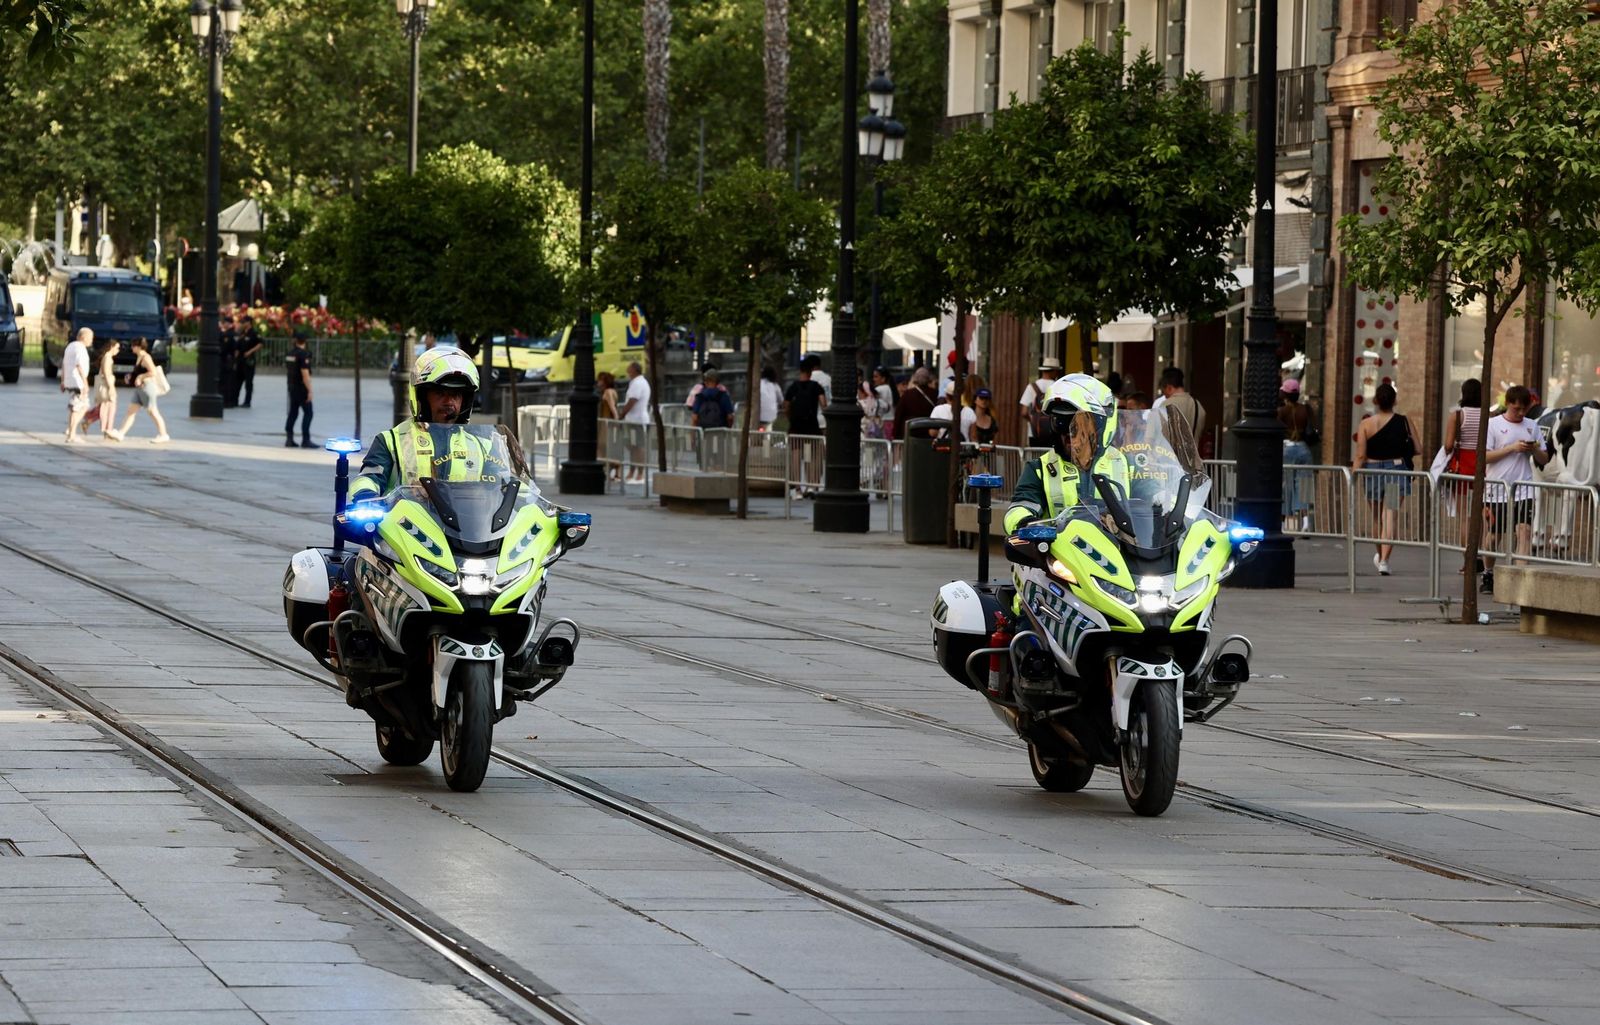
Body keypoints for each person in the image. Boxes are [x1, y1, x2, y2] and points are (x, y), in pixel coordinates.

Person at [350, 348, 500, 502]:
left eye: (456, 395)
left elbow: (506, 483)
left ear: (466, 400)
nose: (449, 402)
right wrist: (365, 493)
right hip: (405, 524)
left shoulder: (483, 445)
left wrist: (520, 499)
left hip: (470, 524)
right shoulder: (391, 441)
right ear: (422, 397)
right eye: (440, 394)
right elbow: (369, 477)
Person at [1005, 374, 1131, 533]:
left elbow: (1154, 502)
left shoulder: (1127, 464)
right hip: (1058, 553)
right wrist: (1025, 522)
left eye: (1078, 425)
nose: (1068, 434)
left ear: (1101, 426)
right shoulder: (1040, 469)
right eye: (1060, 424)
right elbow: (1019, 508)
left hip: (1118, 553)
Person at [1481, 384, 1551, 594]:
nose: (1521, 414)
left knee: (1524, 531)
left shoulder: (1532, 426)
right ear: (1508, 404)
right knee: (1495, 535)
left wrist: (1535, 448)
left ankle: (1522, 579)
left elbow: (1544, 459)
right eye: (1516, 409)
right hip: (1497, 488)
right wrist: (1512, 448)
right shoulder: (1493, 425)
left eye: (1524, 409)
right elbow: (1484, 456)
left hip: (1524, 488)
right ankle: (1488, 572)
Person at [1351, 382, 1421, 576]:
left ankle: (1379, 555)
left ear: (1375, 401)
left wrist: (1353, 476)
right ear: (1394, 400)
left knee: (1376, 518)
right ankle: (1384, 560)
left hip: (1372, 471)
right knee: (1389, 516)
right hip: (1396, 471)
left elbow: (1360, 455)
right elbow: (1418, 448)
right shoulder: (1404, 421)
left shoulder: (1366, 424)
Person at [114, 339, 171, 443]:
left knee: (152, 411)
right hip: (140, 389)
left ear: (139, 346)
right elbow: (140, 371)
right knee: (131, 411)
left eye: (133, 345)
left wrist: (140, 376)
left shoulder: (146, 357)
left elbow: (153, 371)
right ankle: (121, 433)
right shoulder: (140, 357)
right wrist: (131, 377)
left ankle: (163, 434)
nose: (132, 348)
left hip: (148, 387)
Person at [1278, 378, 1315, 532]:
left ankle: (1283, 523)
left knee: (1285, 486)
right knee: (1304, 485)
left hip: (1287, 448)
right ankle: (1305, 521)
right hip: (1303, 449)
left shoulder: (1282, 411)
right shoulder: (1305, 409)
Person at [1154, 367, 1207, 445]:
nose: (1165, 396)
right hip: (1192, 456)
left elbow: (1156, 436)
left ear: (1169, 388)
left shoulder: (1165, 405)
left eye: (1164, 392)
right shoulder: (1198, 405)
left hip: (1169, 455)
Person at [618, 360, 651, 483]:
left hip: (637, 420)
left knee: (638, 447)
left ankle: (640, 472)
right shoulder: (637, 382)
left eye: (629, 368)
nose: (627, 370)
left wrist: (621, 414)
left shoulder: (638, 383)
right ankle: (632, 471)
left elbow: (632, 401)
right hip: (633, 419)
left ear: (634, 370)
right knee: (632, 446)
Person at [1019, 357, 1063, 446]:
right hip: (1053, 430)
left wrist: (1033, 420)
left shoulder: (1032, 387)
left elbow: (1023, 412)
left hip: (1034, 432)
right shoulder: (1058, 386)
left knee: (1036, 458)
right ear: (1054, 371)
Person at [61, 327, 92, 444]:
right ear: (83, 337)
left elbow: (64, 364)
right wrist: (85, 383)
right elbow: (79, 366)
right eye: (90, 338)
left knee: (77, 407)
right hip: (78, 382)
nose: (91, 340)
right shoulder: (80, 348)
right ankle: (71, 432)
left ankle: (71, 431)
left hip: (70, 380)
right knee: (80, 408)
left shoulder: (70, 346)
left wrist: (63, 381)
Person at [284, 330, 315, 448]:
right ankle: (306, 440)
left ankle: (289, 438)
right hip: (301, 388)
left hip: (291, 387)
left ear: (295, 340)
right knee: (308, 413)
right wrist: (310, 390)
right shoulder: (303, 355)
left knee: (293, 413)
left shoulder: (290, 354)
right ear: (305, 341)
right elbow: (305, 374)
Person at [91, 339, 124, 441]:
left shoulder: (107, 357)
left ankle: (105, 429)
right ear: (111, 347)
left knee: (105, 408)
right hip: (107, 385)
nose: (118, 350)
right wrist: (111, 387)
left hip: (106, 384)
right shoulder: (108, 358)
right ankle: (107, 429)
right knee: (109, 408)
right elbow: (106, 373)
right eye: (117, 348)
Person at [893, 366, 937, 440]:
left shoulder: (908, 394)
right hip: (928, 432)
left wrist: (896, 435)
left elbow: (899, 415)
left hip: (910, 432)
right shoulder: (935, 394)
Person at [784, 362, 827, 436]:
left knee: (796, 446)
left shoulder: (793, 387)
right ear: (810, 373)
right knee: (814, 446)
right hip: (812, 424)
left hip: (795, 425)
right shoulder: (816, 386)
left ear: (800, 372)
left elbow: (786, 407)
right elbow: (823, 405)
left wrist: (791, 419)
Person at [232, 314, 263, 407]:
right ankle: (234, 400)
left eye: (244, 322)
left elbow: (260, 343)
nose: (242, 324)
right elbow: (237, 345)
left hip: (249, 361)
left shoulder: (254, 333)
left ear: (249, 323)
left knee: (248, 383)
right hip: (240, 360)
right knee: (237, 382)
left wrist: (250, 352)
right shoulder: (242, 333)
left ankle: (247, 402)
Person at [219, 314, 238, 409]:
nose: (224, 324)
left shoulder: (228, 334)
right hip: (229, 360)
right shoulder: (233, 334)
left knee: (226, 382)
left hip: (227, 360)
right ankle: (229, 401)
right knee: (229, 381)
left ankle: (226, 401)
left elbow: (227, 349)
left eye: (225, 322)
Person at [758, 365, 783, 430]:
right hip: (771, 417)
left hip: (758, 416)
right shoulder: (775, 386)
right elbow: (781, 400)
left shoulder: (758, 384)